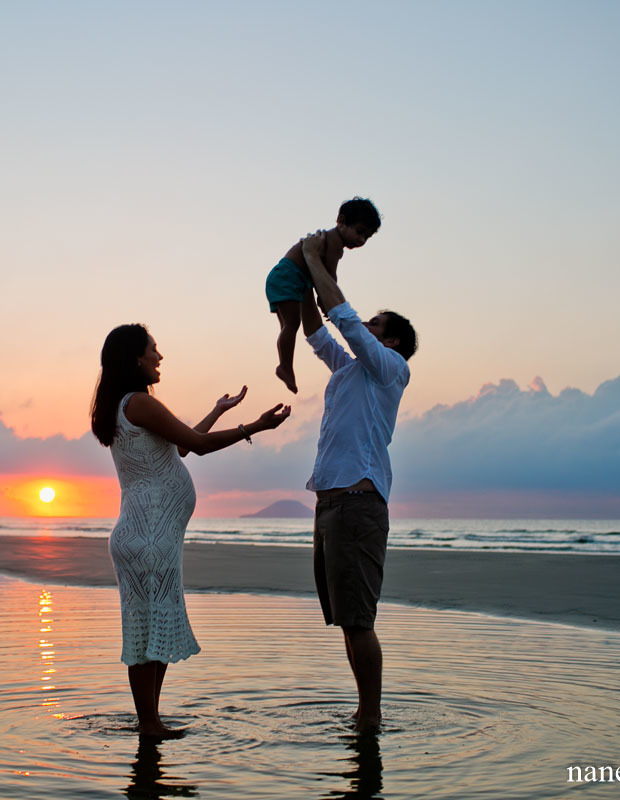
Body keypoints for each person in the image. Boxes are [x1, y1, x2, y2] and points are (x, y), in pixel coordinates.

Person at [91, 323, 291, 738]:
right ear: (135, 358)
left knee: (153, 631)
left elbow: (181, 445)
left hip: (147, 536)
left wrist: (220, 409)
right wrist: (254, 427)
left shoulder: (128, 406)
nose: (159, 357)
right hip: (148, 536)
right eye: (153, 349)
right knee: (148, 633)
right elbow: (197, 446)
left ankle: (152, 723)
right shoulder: (140, 403)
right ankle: (149, 724)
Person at [298, 231, 417, 734]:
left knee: (360, 620)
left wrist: (314, 258)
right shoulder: (349, 372)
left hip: (357, 504)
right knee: (347, 621)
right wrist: (308, 276)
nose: (363, 325)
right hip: (331, 507)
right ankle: (363, 714)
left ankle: (371, 717)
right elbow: (318, 331)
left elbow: (343, 318)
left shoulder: (391, 368)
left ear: (387, 340)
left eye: (374, 325)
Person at [265, 197, 381, 394]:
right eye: (359, 232)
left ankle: (285, 365)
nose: (361, 240)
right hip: (289, 278)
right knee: (291, 326)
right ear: (341, 221)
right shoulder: (334, 243)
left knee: (288, 326)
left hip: (286, 277)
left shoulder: (327, 240)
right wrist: (327, 304)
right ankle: (285, 366)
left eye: (366, 237)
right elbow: (329, 277)